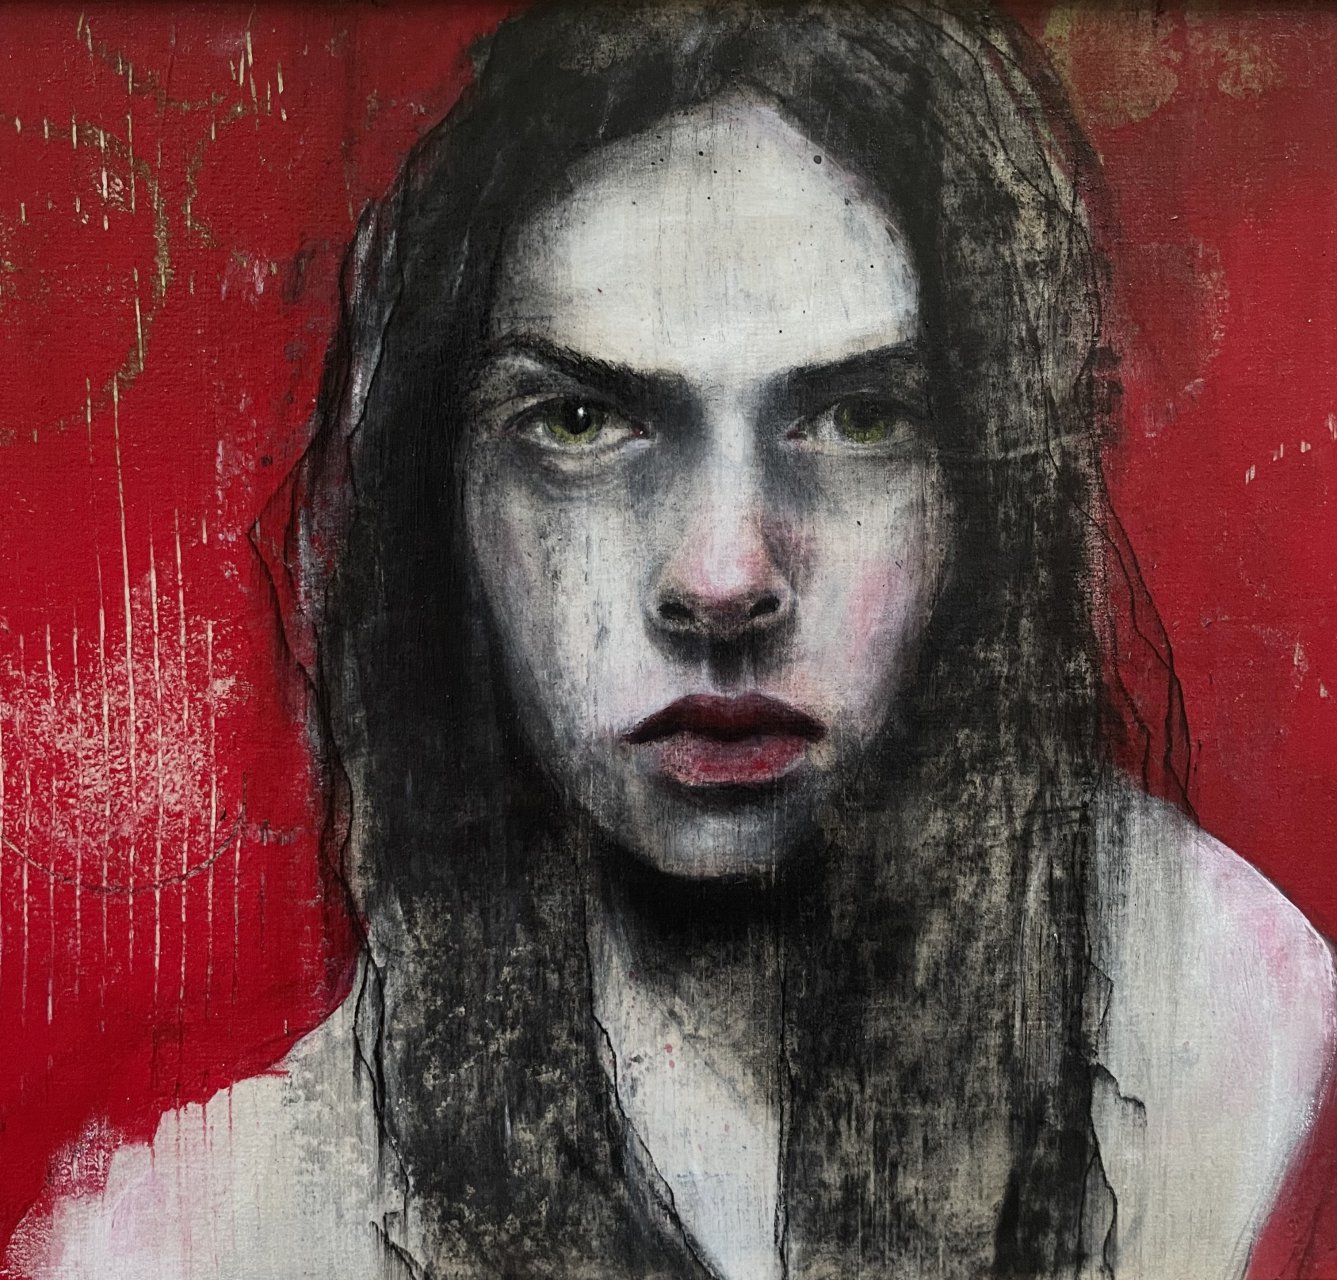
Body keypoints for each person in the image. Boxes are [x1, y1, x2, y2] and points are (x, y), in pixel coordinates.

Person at [16, 4, 1336, 1278]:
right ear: (441, 501)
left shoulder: (1246, 1045)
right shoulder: (208, 1240)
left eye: (860, 419)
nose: (723, 579)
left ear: (991, 486)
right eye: (582, 422)